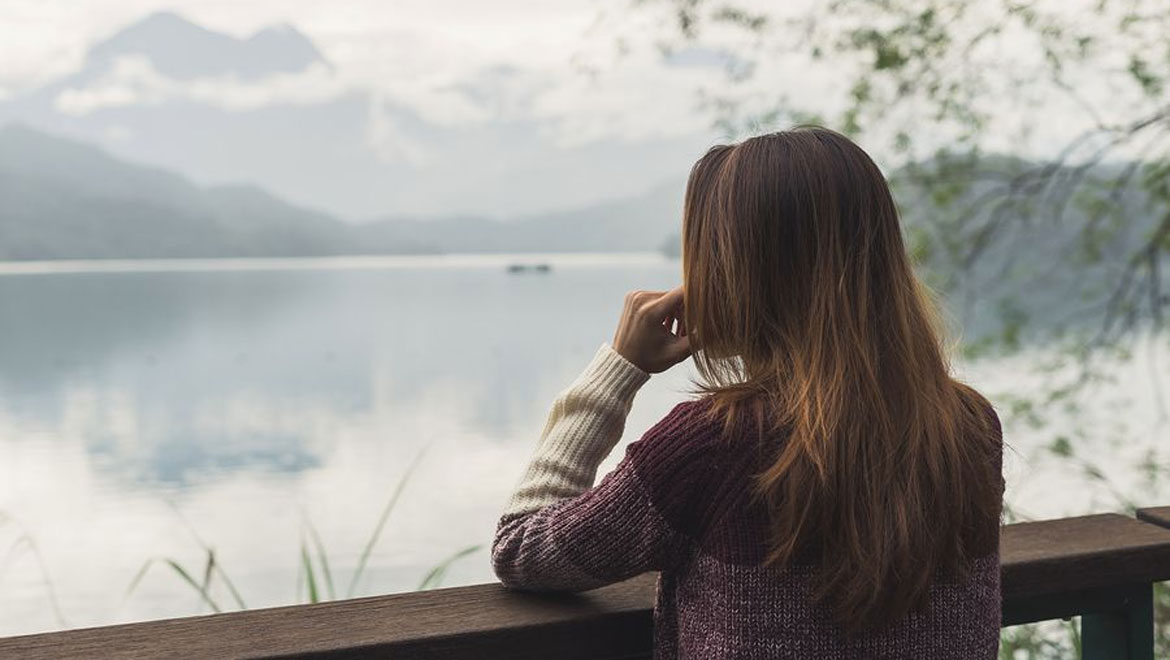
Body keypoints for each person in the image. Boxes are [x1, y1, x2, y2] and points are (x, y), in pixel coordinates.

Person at [491, 127, 1004, 659]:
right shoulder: (968, 424)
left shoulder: (715, 444)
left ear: (735, 272)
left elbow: (521, 550)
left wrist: (617, 370)